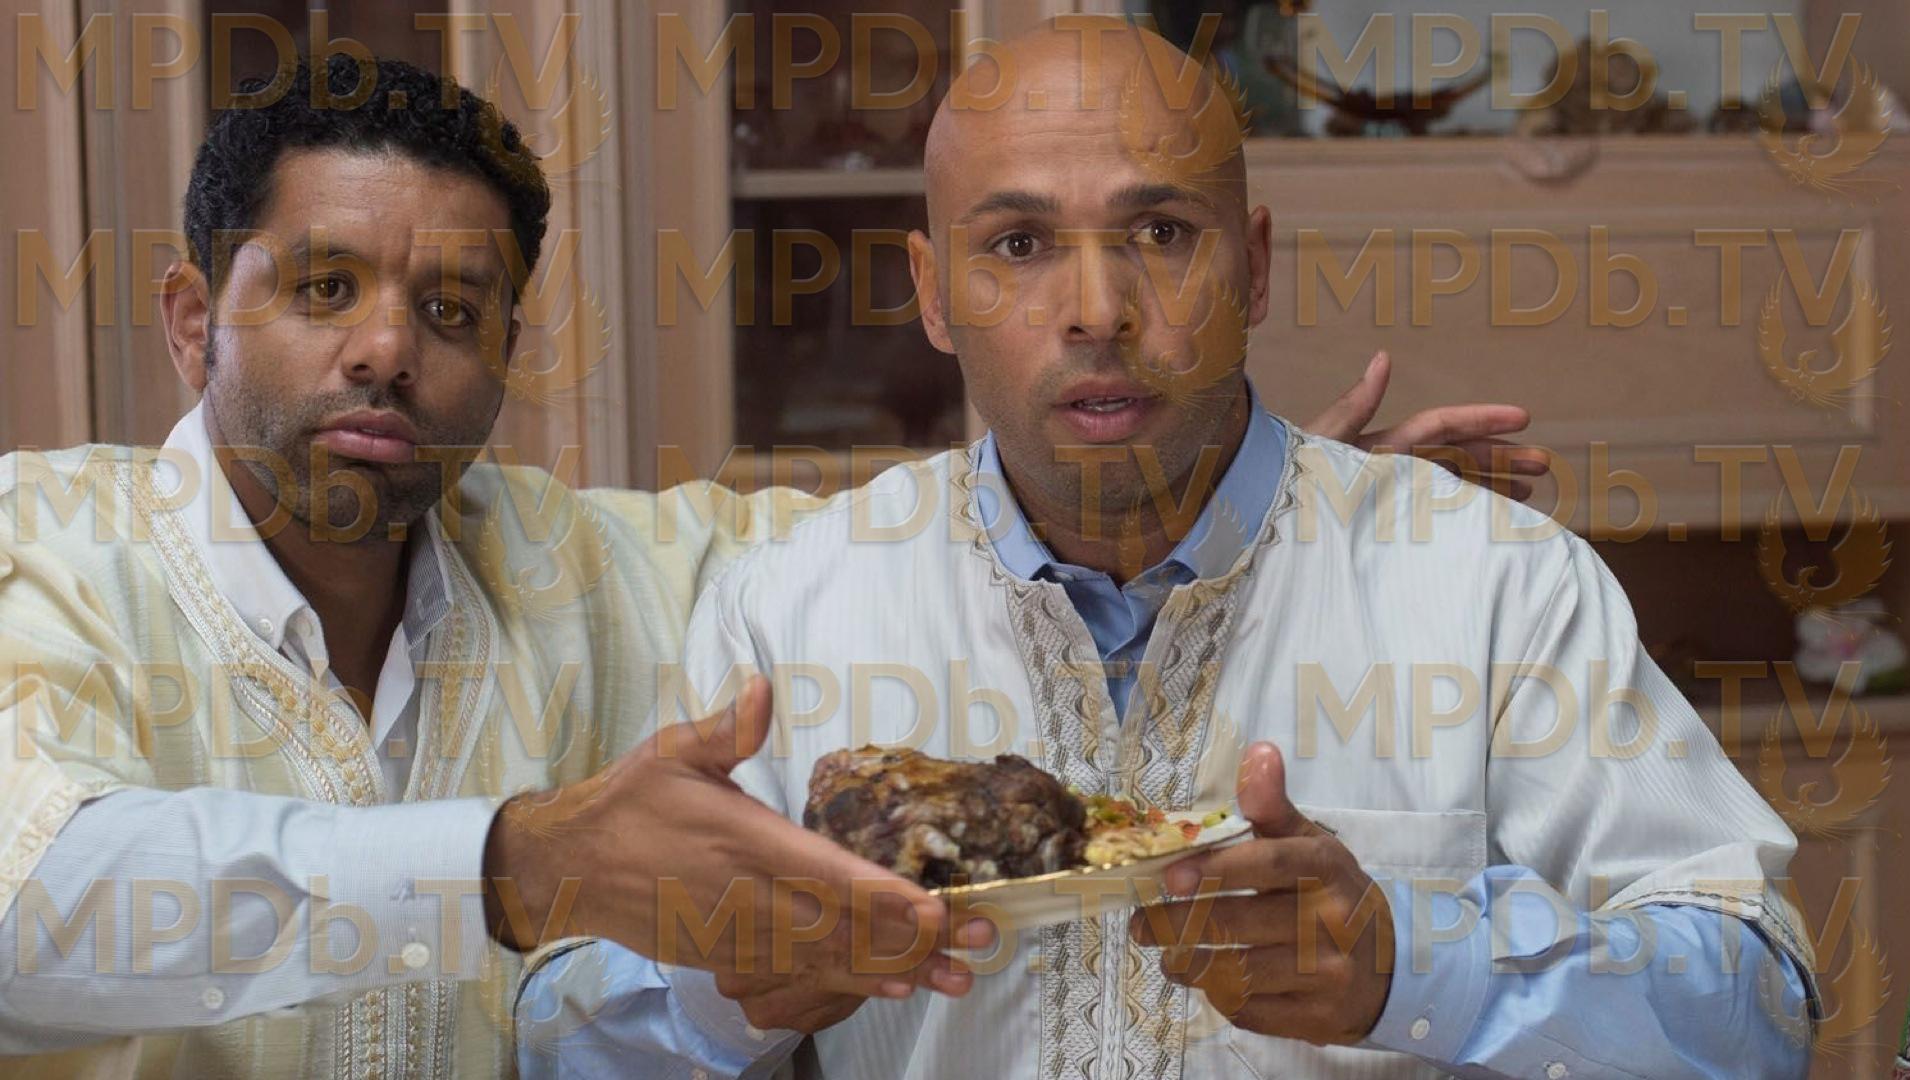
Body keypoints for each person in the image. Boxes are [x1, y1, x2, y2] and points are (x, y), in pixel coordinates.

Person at [0, 54, 1518, 1077]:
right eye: (325, 289)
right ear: (193, 320)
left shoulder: (583, 567)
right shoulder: (40, 547)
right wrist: (519, 861)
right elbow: (37, 901)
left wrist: (1253, 491)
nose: (388, 349)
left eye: (454, 311)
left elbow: (956, 544)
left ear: (506, 353)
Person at [515, 20, 1816, 1080]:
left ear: (1254, 268)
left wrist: (1414, 965)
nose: (1098, 310)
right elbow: (561, 1033)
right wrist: (726, 993)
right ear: (932, 293)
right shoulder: (789, 611)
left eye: (1161, 234)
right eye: (1019, 245)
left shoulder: (1494, 586)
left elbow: (1758, 1008)